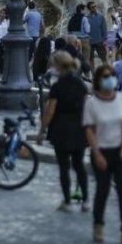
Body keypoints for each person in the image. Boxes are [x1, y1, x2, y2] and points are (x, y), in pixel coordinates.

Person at [83, 65, 122, 244]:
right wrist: (97, 153)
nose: (110, 79)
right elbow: (89, 130)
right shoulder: (92, 103)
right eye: (107, 76)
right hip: (101, 151)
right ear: (99, 80)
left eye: (113, 76)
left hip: (121, 151)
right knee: (103, 190)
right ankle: (98, 226)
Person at [37, 51, 89, 213]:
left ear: (58, 66)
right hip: (80, 128)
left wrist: (42, 130)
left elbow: (50, 111)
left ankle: (67, 201)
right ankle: (86, 200)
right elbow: (87, 107)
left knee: (64, 167)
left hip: (61, 129)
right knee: (79, 165)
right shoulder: (81, 84)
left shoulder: (57, 87)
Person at [87, 1, 108, 69]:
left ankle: (106, 72)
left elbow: (104, 28)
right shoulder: (86, 18)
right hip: (90, 41)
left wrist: (105, 40)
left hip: (100, 41)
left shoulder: (101, 17)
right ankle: (93, 75)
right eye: (92, 7)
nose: (94, 8)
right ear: (89, 9)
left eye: (95, 6)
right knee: (90, 59)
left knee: (103, 58)